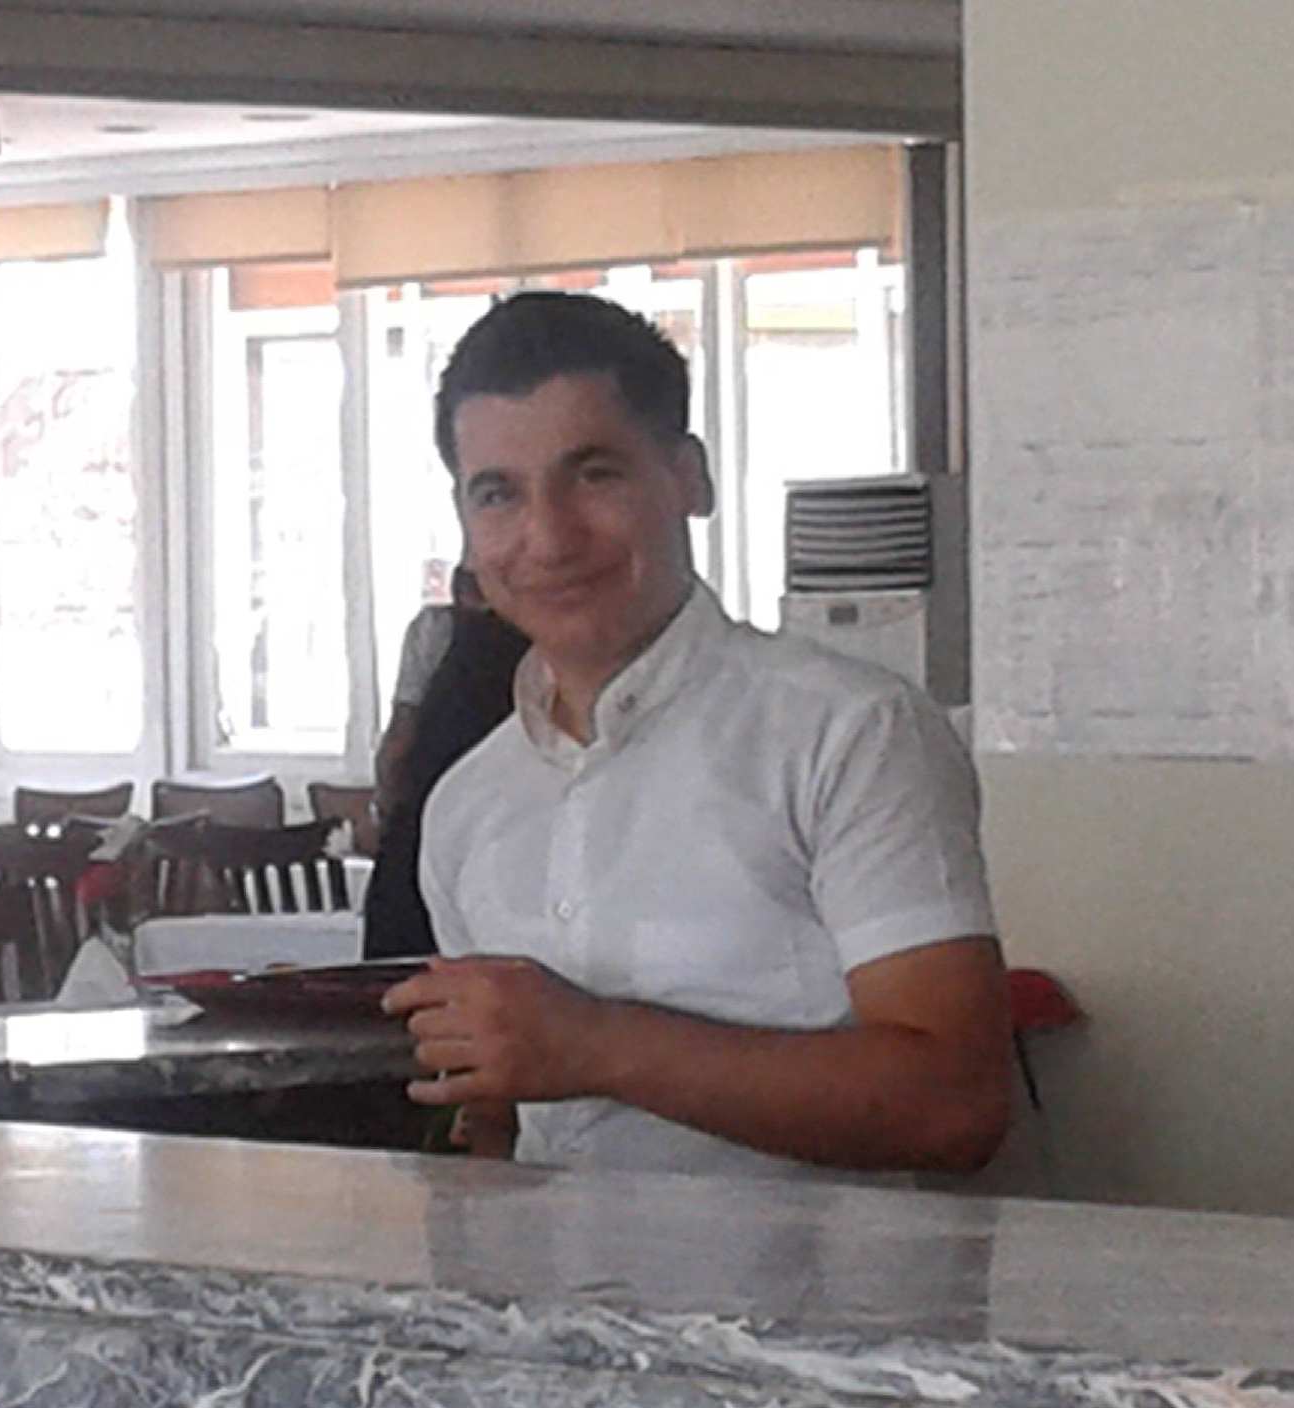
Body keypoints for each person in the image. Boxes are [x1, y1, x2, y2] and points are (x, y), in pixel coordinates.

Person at [382, 291, 1011, 1178]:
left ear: (690, 479)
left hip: (829, 1276)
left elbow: (957, 1104)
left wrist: (594, 1044)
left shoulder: (851, 733)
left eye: (594, 475)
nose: (549, 538)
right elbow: (498, 1127)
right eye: (498, 494)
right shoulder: (466, 805)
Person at [362, 575, 530, 960]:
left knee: (403, 971)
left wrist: (383, 809)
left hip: (422, 820)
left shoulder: (435, 631)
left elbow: (400, 740)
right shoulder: (558, 642)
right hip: (517, 832)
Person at [373, 563, 486, 825]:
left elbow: (403, 728)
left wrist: (385, 797)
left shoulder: (435, 629)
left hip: (433, 789)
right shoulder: (541, 637)